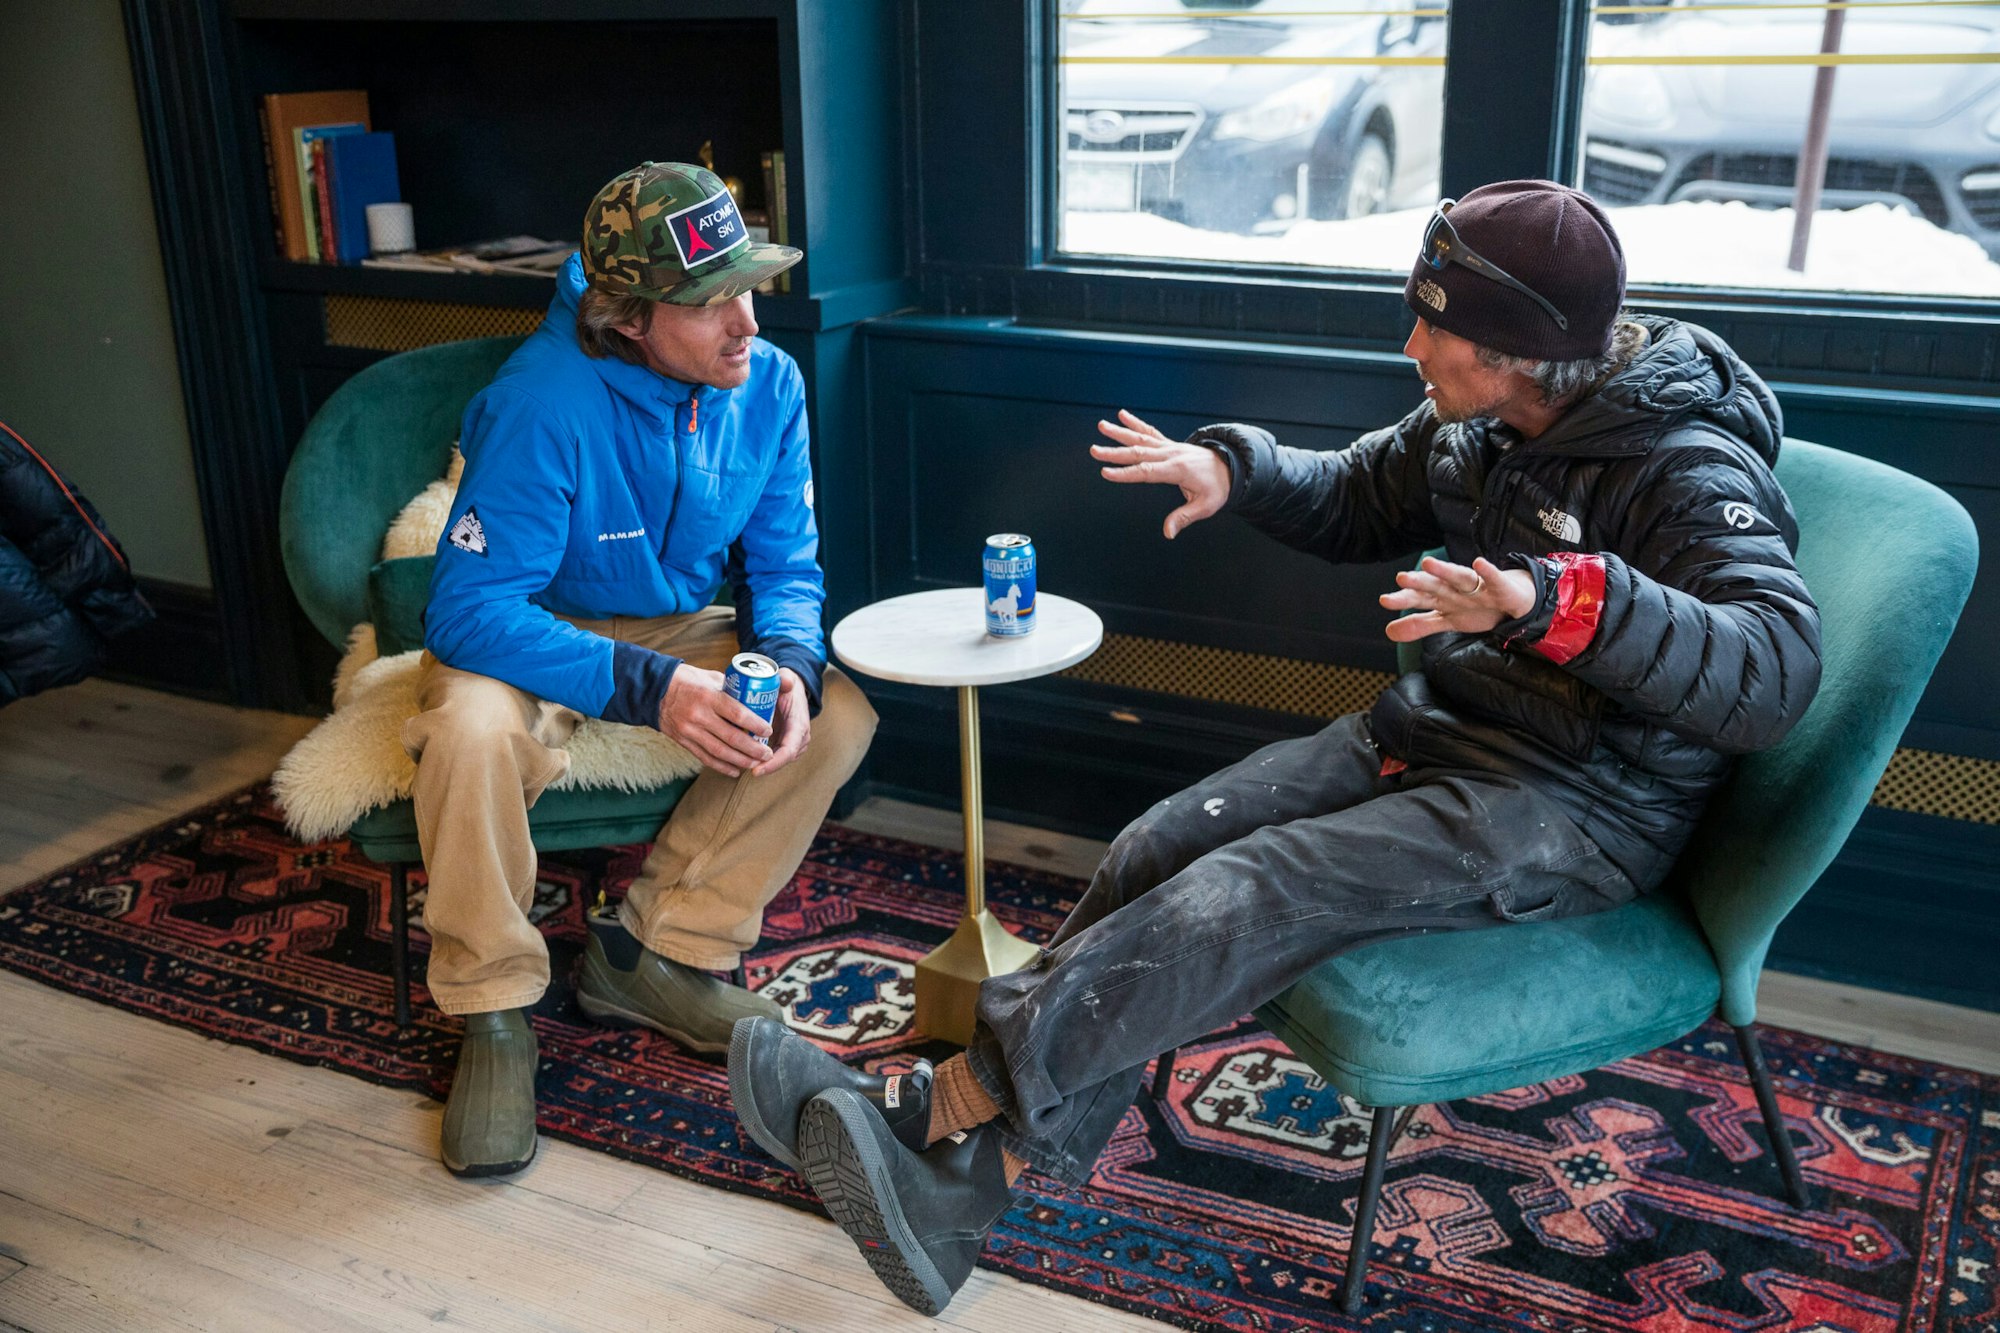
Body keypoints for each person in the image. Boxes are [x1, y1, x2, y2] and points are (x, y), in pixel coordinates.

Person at [728, 179, 1823, 1315]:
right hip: (1447, 733)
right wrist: (1235, 470)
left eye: (1433, 327)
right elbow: (1356, 493)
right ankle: (964, 1187)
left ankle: (932, 1115)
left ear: (1520, 351)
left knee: (1247, 888)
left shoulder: (1686, 466)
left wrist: (1557, 600)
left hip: (1580, 807)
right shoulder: (1480, 425)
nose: (1410, 346)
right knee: (1162, 843)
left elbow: (1775, 666)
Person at [406, 162, 878, 1179]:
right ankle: (493, 1009)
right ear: (626, 318)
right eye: (711, 304)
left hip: (678, 621)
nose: (747, 323)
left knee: (833, 710)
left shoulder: (769, 385)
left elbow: (785, 567)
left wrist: (788, 661)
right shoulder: (538, 402)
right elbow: (468, 610)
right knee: (469, 730)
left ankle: (656, 949)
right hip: (534, 627)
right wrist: (649, 688)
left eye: (748, 288)